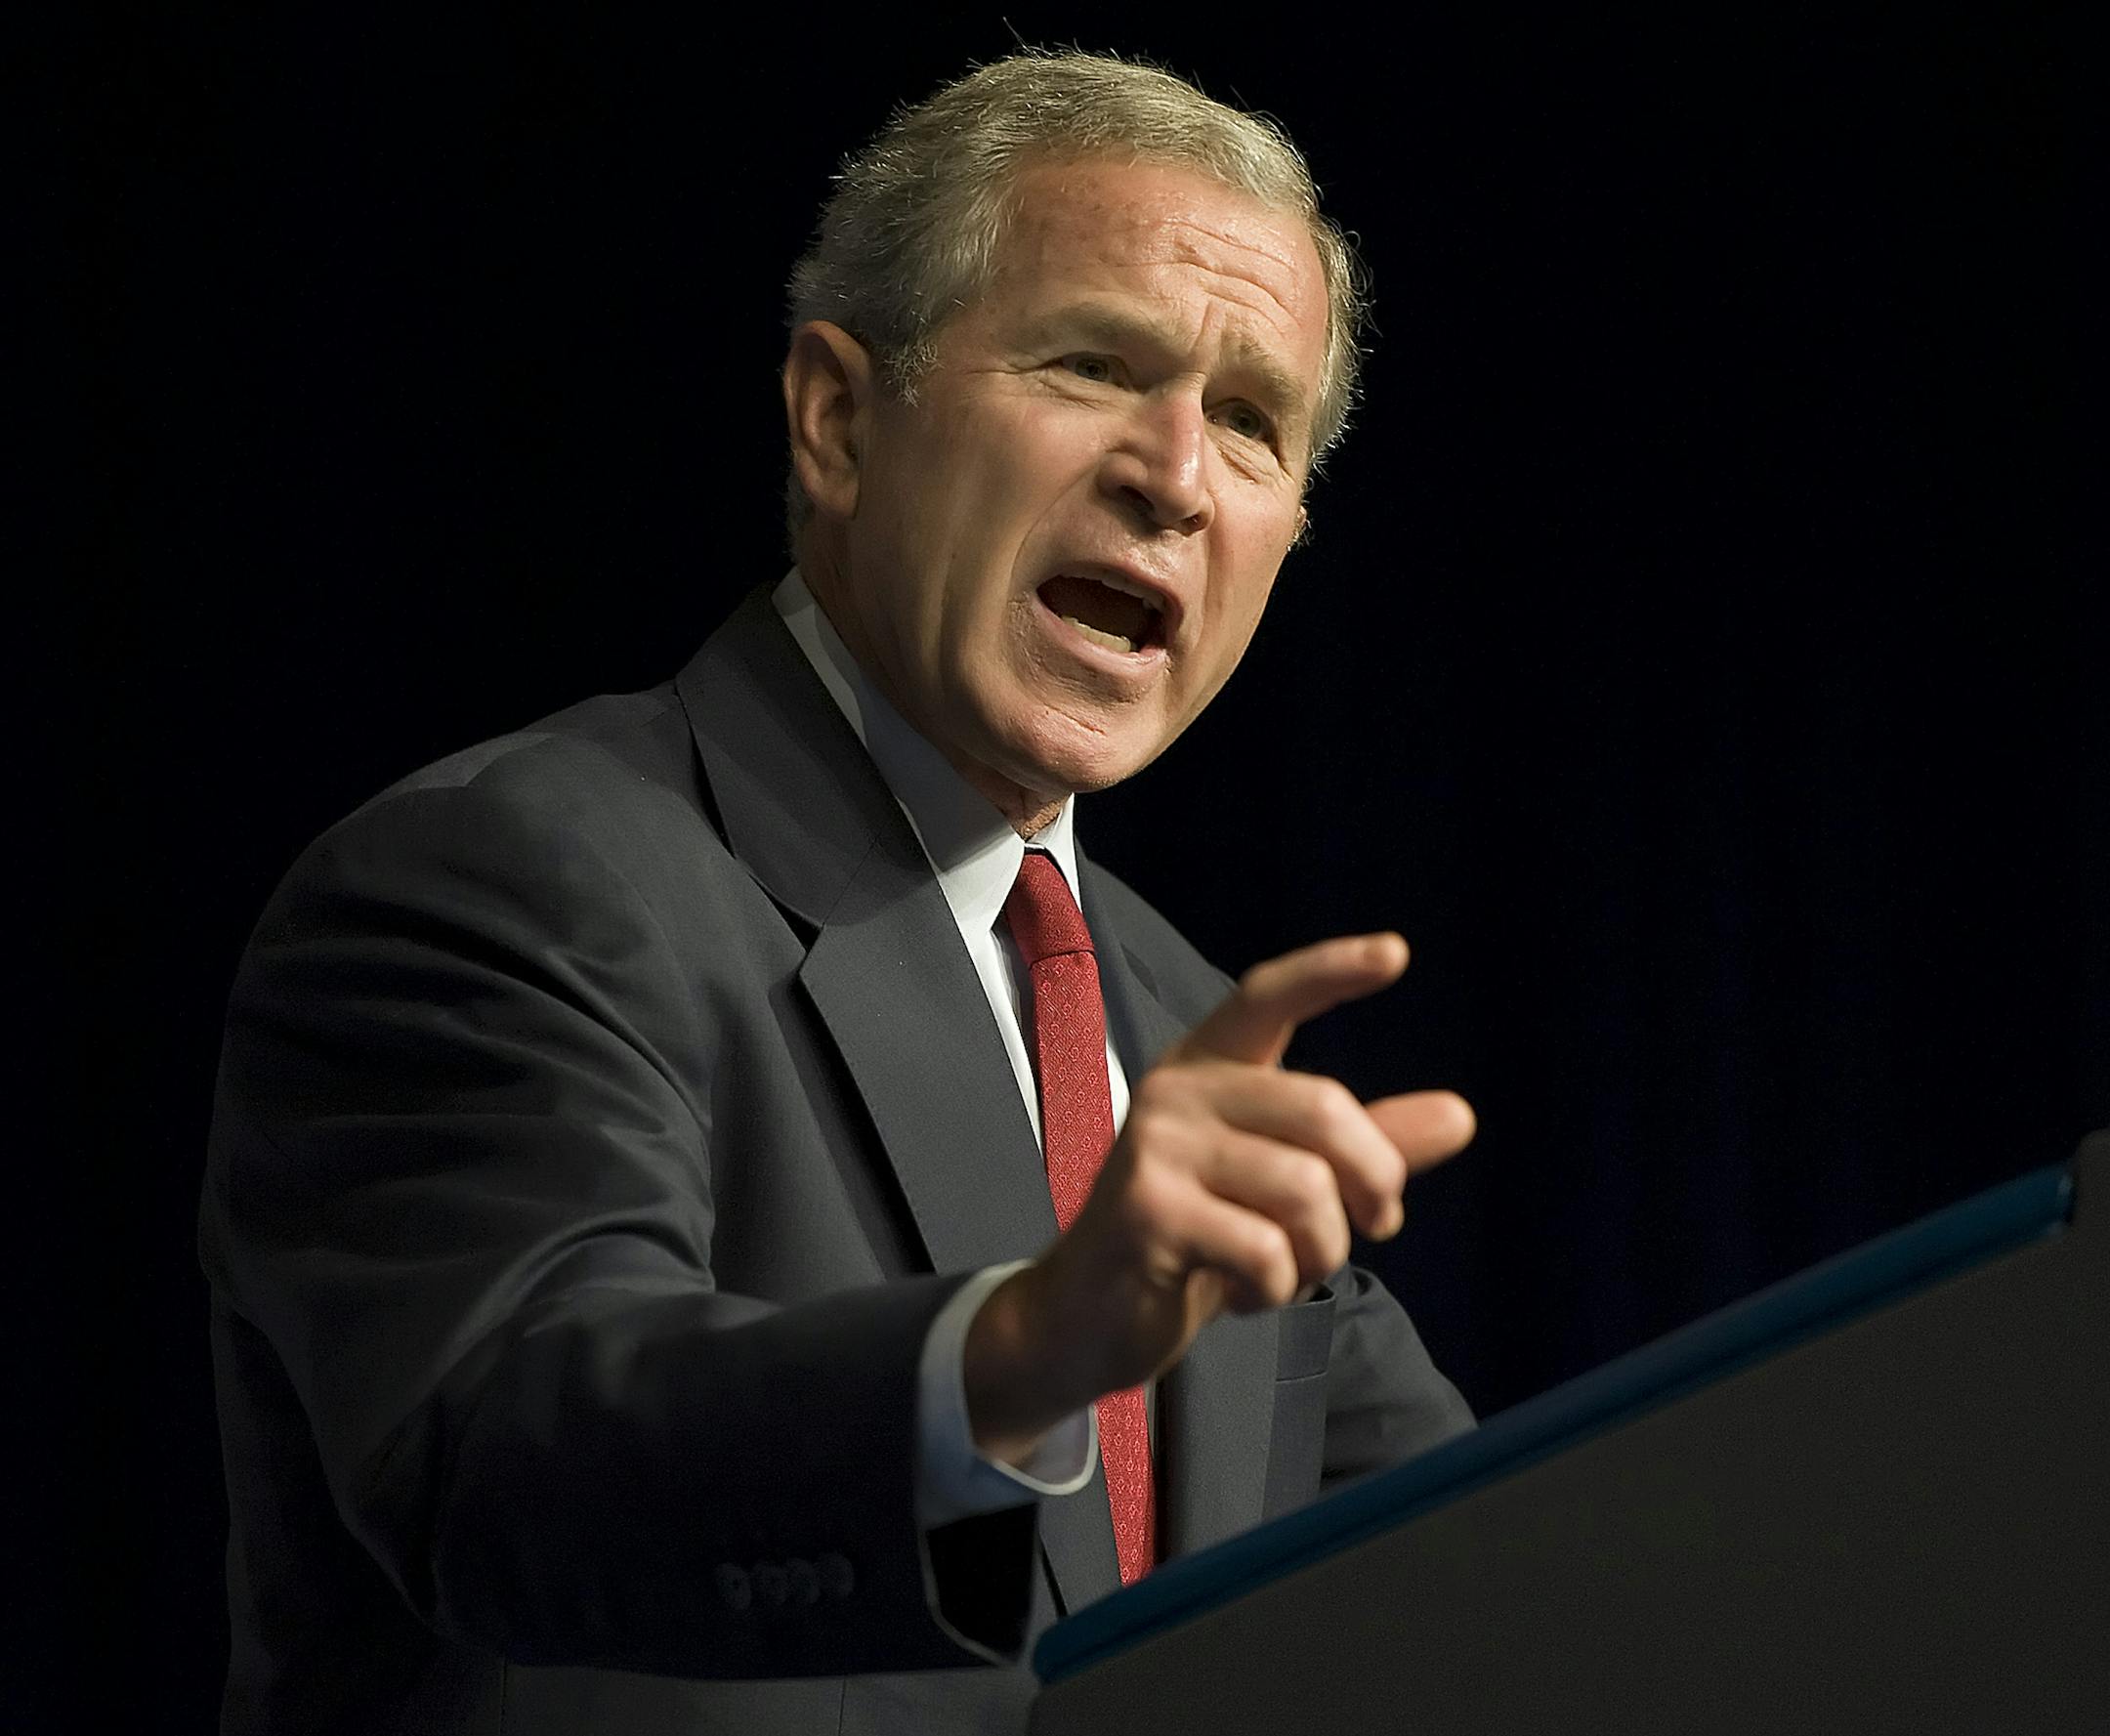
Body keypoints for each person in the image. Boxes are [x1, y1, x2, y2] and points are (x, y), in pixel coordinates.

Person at [200, 50, 1478, 1736]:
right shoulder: (509, 882)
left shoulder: (1189, 1049)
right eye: (1097, 365)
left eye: (1252, 421)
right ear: (838, 418)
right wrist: (1013, 1350)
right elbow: (508, 1461)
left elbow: (1510, 1586)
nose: (1175, 473)